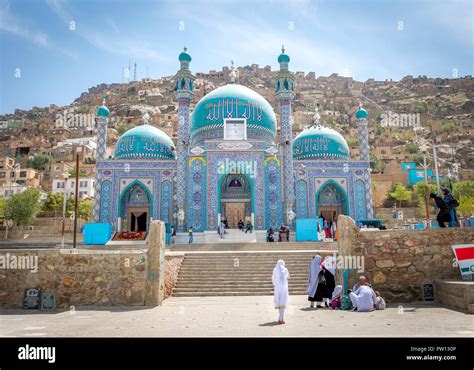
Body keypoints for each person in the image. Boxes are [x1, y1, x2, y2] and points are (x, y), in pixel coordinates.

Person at [272, 259, 289, 324]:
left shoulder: (275, 270)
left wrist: (276, 285)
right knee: (283, 302)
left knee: (279, 303)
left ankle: (280, 318)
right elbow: (287, 277)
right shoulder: (285, 270)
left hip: (277, 288)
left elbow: (273, 278)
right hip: (284, 288)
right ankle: (281, 318)